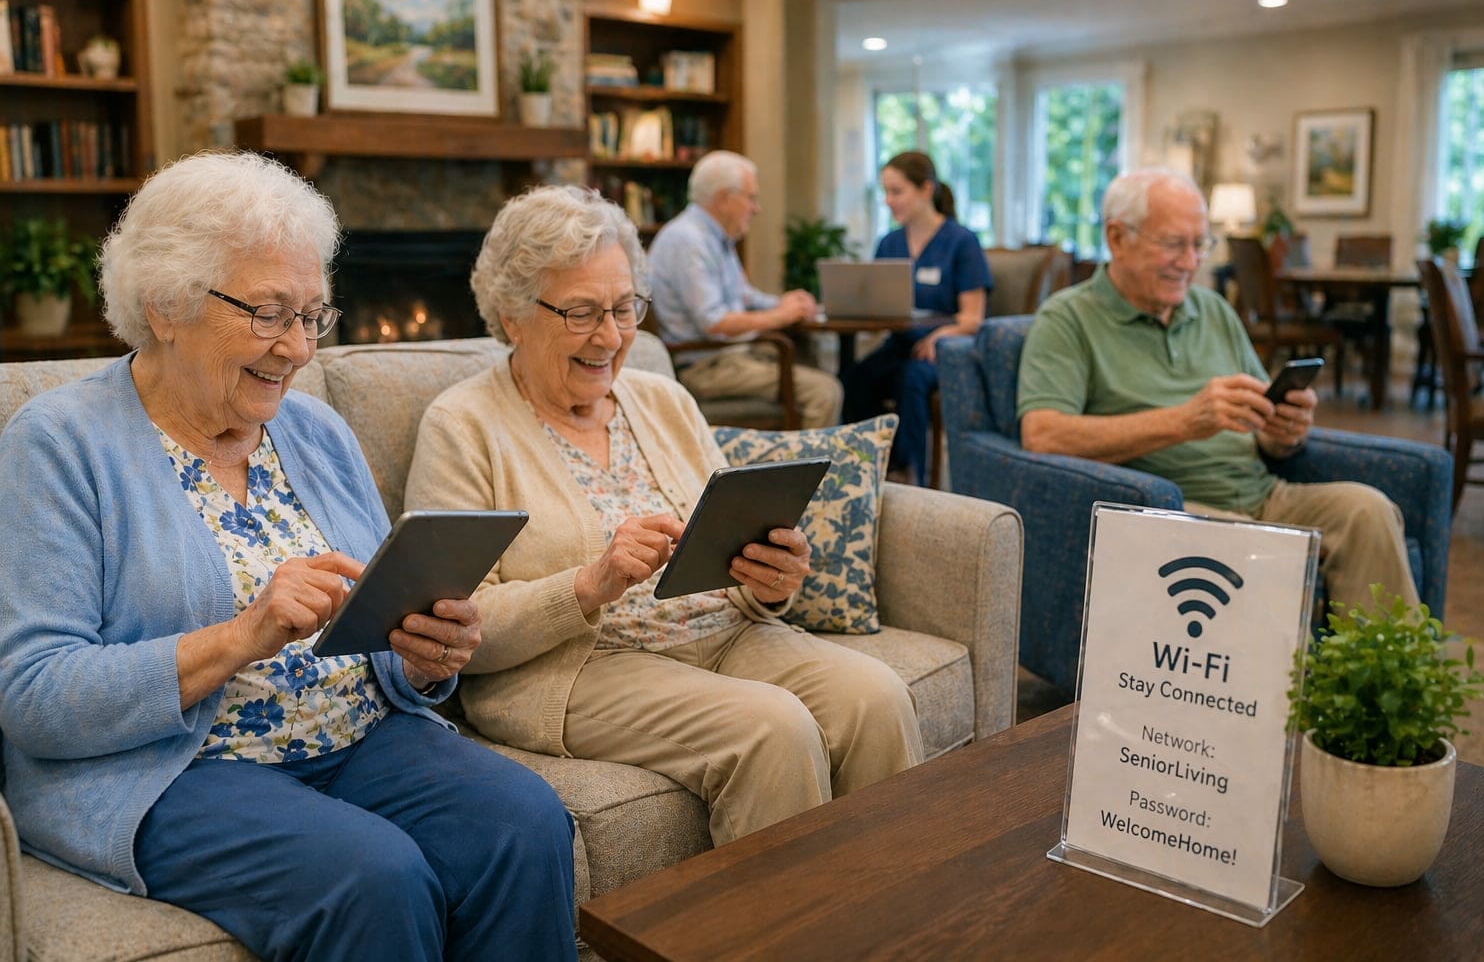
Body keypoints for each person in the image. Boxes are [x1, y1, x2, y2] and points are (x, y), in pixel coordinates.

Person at [0, 152, 577, 962]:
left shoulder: (315, 433)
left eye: (313, 316)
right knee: (374, 878)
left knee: (524, 821)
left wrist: (421, 658)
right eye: (270, 314)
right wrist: (241, 636)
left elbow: (379, 624)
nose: (300, 350)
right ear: (166, 304)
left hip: (358, 737)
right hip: (179, 769)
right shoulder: (59, 444)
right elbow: (32, 696)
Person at [403, 184, 923, 847]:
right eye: (584, 312)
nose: (613, 336)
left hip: (725, 632)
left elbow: (730, 551)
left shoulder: (664, 400)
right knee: (774, 729)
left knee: (877, 699)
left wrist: (769, 583)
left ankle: (891, 922)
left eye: (625, 308)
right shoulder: (463, 424)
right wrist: (590, 583)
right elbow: (450, 623)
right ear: (512, 313)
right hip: (579, 665)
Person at [1014, 166, 1419, 611]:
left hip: (1263, 495)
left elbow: (1262, 428)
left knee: (1368, 509)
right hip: (1174, 509)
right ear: (1117, 238)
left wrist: (1282, 431)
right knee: (1257, 549)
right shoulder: (1067, 319)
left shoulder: (1212, 309)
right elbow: (1043, 435)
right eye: (1172, 244)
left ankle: (1387, 680)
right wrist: (1184, 422)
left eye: (1199, 245)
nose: (1190, 263)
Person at [648, 149, 843, 429]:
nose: (756, 208)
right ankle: (804, 471)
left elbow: (744, 296)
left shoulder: (714, 237)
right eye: (751, 198)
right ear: (724, 199)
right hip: (705, 367)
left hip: (728, 357)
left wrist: (786, 303)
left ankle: (789, 460)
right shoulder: (688, 241)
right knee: (824, 392)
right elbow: (714, 322)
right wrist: (780, 316)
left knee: (811, 358)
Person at [842, 151, 990, 485]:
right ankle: (865, 469)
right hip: (900, 345)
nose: (889, 201)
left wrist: (940, 336)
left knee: (911, 379)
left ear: (925, 190)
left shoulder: (961, 243)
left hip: (948, 349)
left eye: (897, 192)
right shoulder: (889, 243)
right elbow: (879, 306)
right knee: (855, 378)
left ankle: (911, 473)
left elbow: (973, 318)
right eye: (886, 192)